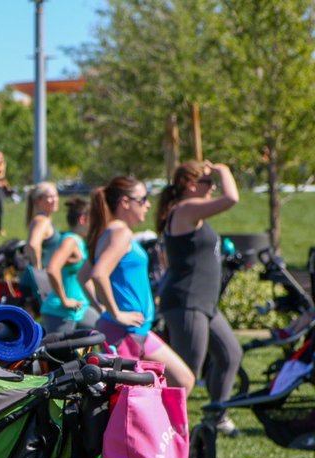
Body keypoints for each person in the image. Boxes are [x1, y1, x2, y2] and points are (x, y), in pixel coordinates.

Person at [83, 177, 195, 392]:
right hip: (123, 331)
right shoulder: (120, 233)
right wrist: (115, 313)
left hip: (136, 330)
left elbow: (83, 276)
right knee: (125, 402)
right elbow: (97, 274)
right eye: (142, 199)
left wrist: (102, 309)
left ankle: (160, 425)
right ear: (125, 202)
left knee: (183, 381)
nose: (148, 204)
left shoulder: (108, 234)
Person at [156, 160, 243, 431]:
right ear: (191, 185)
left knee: (230, 354)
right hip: (187, 302)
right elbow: (231, 198)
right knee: (186, 375)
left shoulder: (194, 214)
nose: (213, 186)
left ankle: (217, 417)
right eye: (209, 182)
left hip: (204, 303)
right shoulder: (184, 209)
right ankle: (163, 428)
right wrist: (224, 170)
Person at [40, 198, 99, 335]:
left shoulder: (79, 242)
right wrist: (65, 300)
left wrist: (99, 305)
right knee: (60, 356)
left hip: (80, 308)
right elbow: (52, 269)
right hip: (62, 312)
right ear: (83, 219)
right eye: (95, 220)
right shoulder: (70, 240)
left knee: (104, 331)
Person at [23, 182, 61, 309]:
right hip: (40, 282)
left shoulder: (41, 219)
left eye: (56, 196)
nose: (54, 200)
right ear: (38, 201)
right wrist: (39, 271)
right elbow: (33, 245)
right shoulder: (42, 221)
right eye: (49, 197)